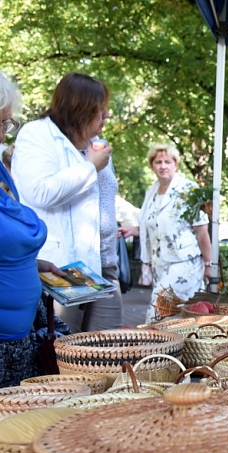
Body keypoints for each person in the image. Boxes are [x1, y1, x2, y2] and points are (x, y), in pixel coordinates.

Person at [13, 71, 123, 333]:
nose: (106, 114)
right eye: (100, 108)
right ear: (80, 110)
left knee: (109, 352)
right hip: (63, 269)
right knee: (64, 353)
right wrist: (89, 168)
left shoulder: (97, 144)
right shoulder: (37, 135)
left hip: (104, 266)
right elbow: (40, 191)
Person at [0, 70, 64, 387]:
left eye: (6, 123)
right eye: (1, 123)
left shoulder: (1, 172)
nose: (4, 134)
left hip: (18, 342)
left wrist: (31, 265)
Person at [119, 144, 214, 323]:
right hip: (159, 266)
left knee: (156, 314)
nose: (163, 166)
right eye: (158, 162)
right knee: (177, 318)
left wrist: (209, 265)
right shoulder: (151, 191)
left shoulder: (189, 190)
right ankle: (175, 349)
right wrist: (134, 231)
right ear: (152, 165)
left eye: (167, 162)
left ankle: (149, 347)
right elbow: (157, 227)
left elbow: (202, 232)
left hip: (184, 265)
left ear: (175, 164)